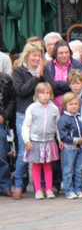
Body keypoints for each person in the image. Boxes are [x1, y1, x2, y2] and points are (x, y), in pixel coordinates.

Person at [12, 44, 45, 199]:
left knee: (43, 149)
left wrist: (42, 75)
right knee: (24, 150)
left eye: (39, 55)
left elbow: (50, 87)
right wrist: (36, 77)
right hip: (23, 114)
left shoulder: (44, 70)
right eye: (34, 55)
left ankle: (43, 185)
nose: (37, 58)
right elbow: (21, 91)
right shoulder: (19, 72)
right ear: (27, 56)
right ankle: (19, 184)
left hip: (41, 115)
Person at [22, 82, 60, 199]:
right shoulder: (32, 108)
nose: (45, 96)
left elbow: (56, 125)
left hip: (49, 140)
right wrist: (27, 140)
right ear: (37, 95)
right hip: (35, 141)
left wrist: (59, 140)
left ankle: (48, 189)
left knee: (48, 166)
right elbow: (26, 125)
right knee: (36, 166)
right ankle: (38, 190)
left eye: (47, 93)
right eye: (42, 93)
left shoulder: (54, 108)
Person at [57, 92, 82, 199]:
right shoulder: (63, 119)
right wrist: (75, 140)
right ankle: (69, 190)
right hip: (69, 148)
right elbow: (63, 135)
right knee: (68, 170)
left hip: (81, 148)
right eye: (71, 104)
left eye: (76, 104)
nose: (74, 106)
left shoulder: (80, 116)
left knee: (79, 170)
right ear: (65, 105)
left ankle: (79, 189)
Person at [0, 67, 14, 197]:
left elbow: (12, 100)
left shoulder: (5, 79)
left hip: (0, 121)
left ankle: (4, 186)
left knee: (1, 156)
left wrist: (4, 116)